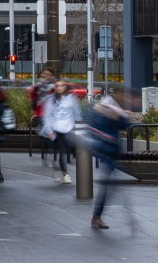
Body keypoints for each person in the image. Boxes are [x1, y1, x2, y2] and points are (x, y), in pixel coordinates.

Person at [86, 93, 133, 229]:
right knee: (110, 184)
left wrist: (120, 115)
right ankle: (98, 215)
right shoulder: (99, 111)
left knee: (110, 185)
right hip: (105, 150)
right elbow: (95, 124)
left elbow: (123, 124)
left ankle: (97, 215)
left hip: (112, 151)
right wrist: (113, 115)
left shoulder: (115, 112)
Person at [39, 78, 80, 184]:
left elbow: (76, 114)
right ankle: (65, 174)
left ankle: (57, 168)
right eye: (57, 86)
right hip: (56, 130)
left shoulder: (71, 99)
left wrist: (79, 128)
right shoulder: (51, 100)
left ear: (65, 87)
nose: (59, 87)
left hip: (68, 128)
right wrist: (49, 131)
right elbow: (47, 116)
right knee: (62, 151)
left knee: (66, 151)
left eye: (61, 85)